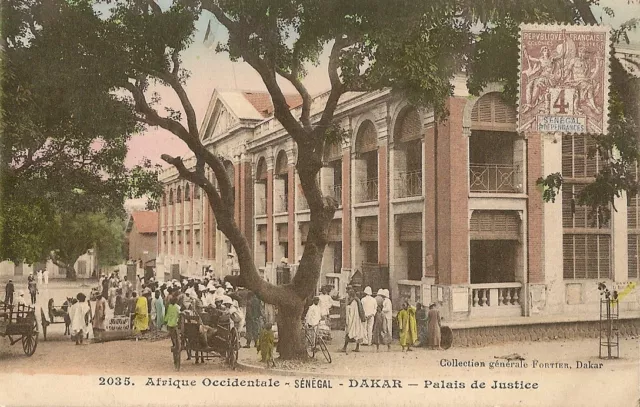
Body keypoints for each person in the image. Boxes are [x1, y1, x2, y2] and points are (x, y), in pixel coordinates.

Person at [341, 287, 365, 354]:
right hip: (357, 320)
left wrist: (348, 321)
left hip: (352, 320)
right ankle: (357, 347)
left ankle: (345, 347)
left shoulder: (353, 302)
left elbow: (351, 313)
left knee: (349, 332)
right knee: (357, 333)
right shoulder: (357, 300)